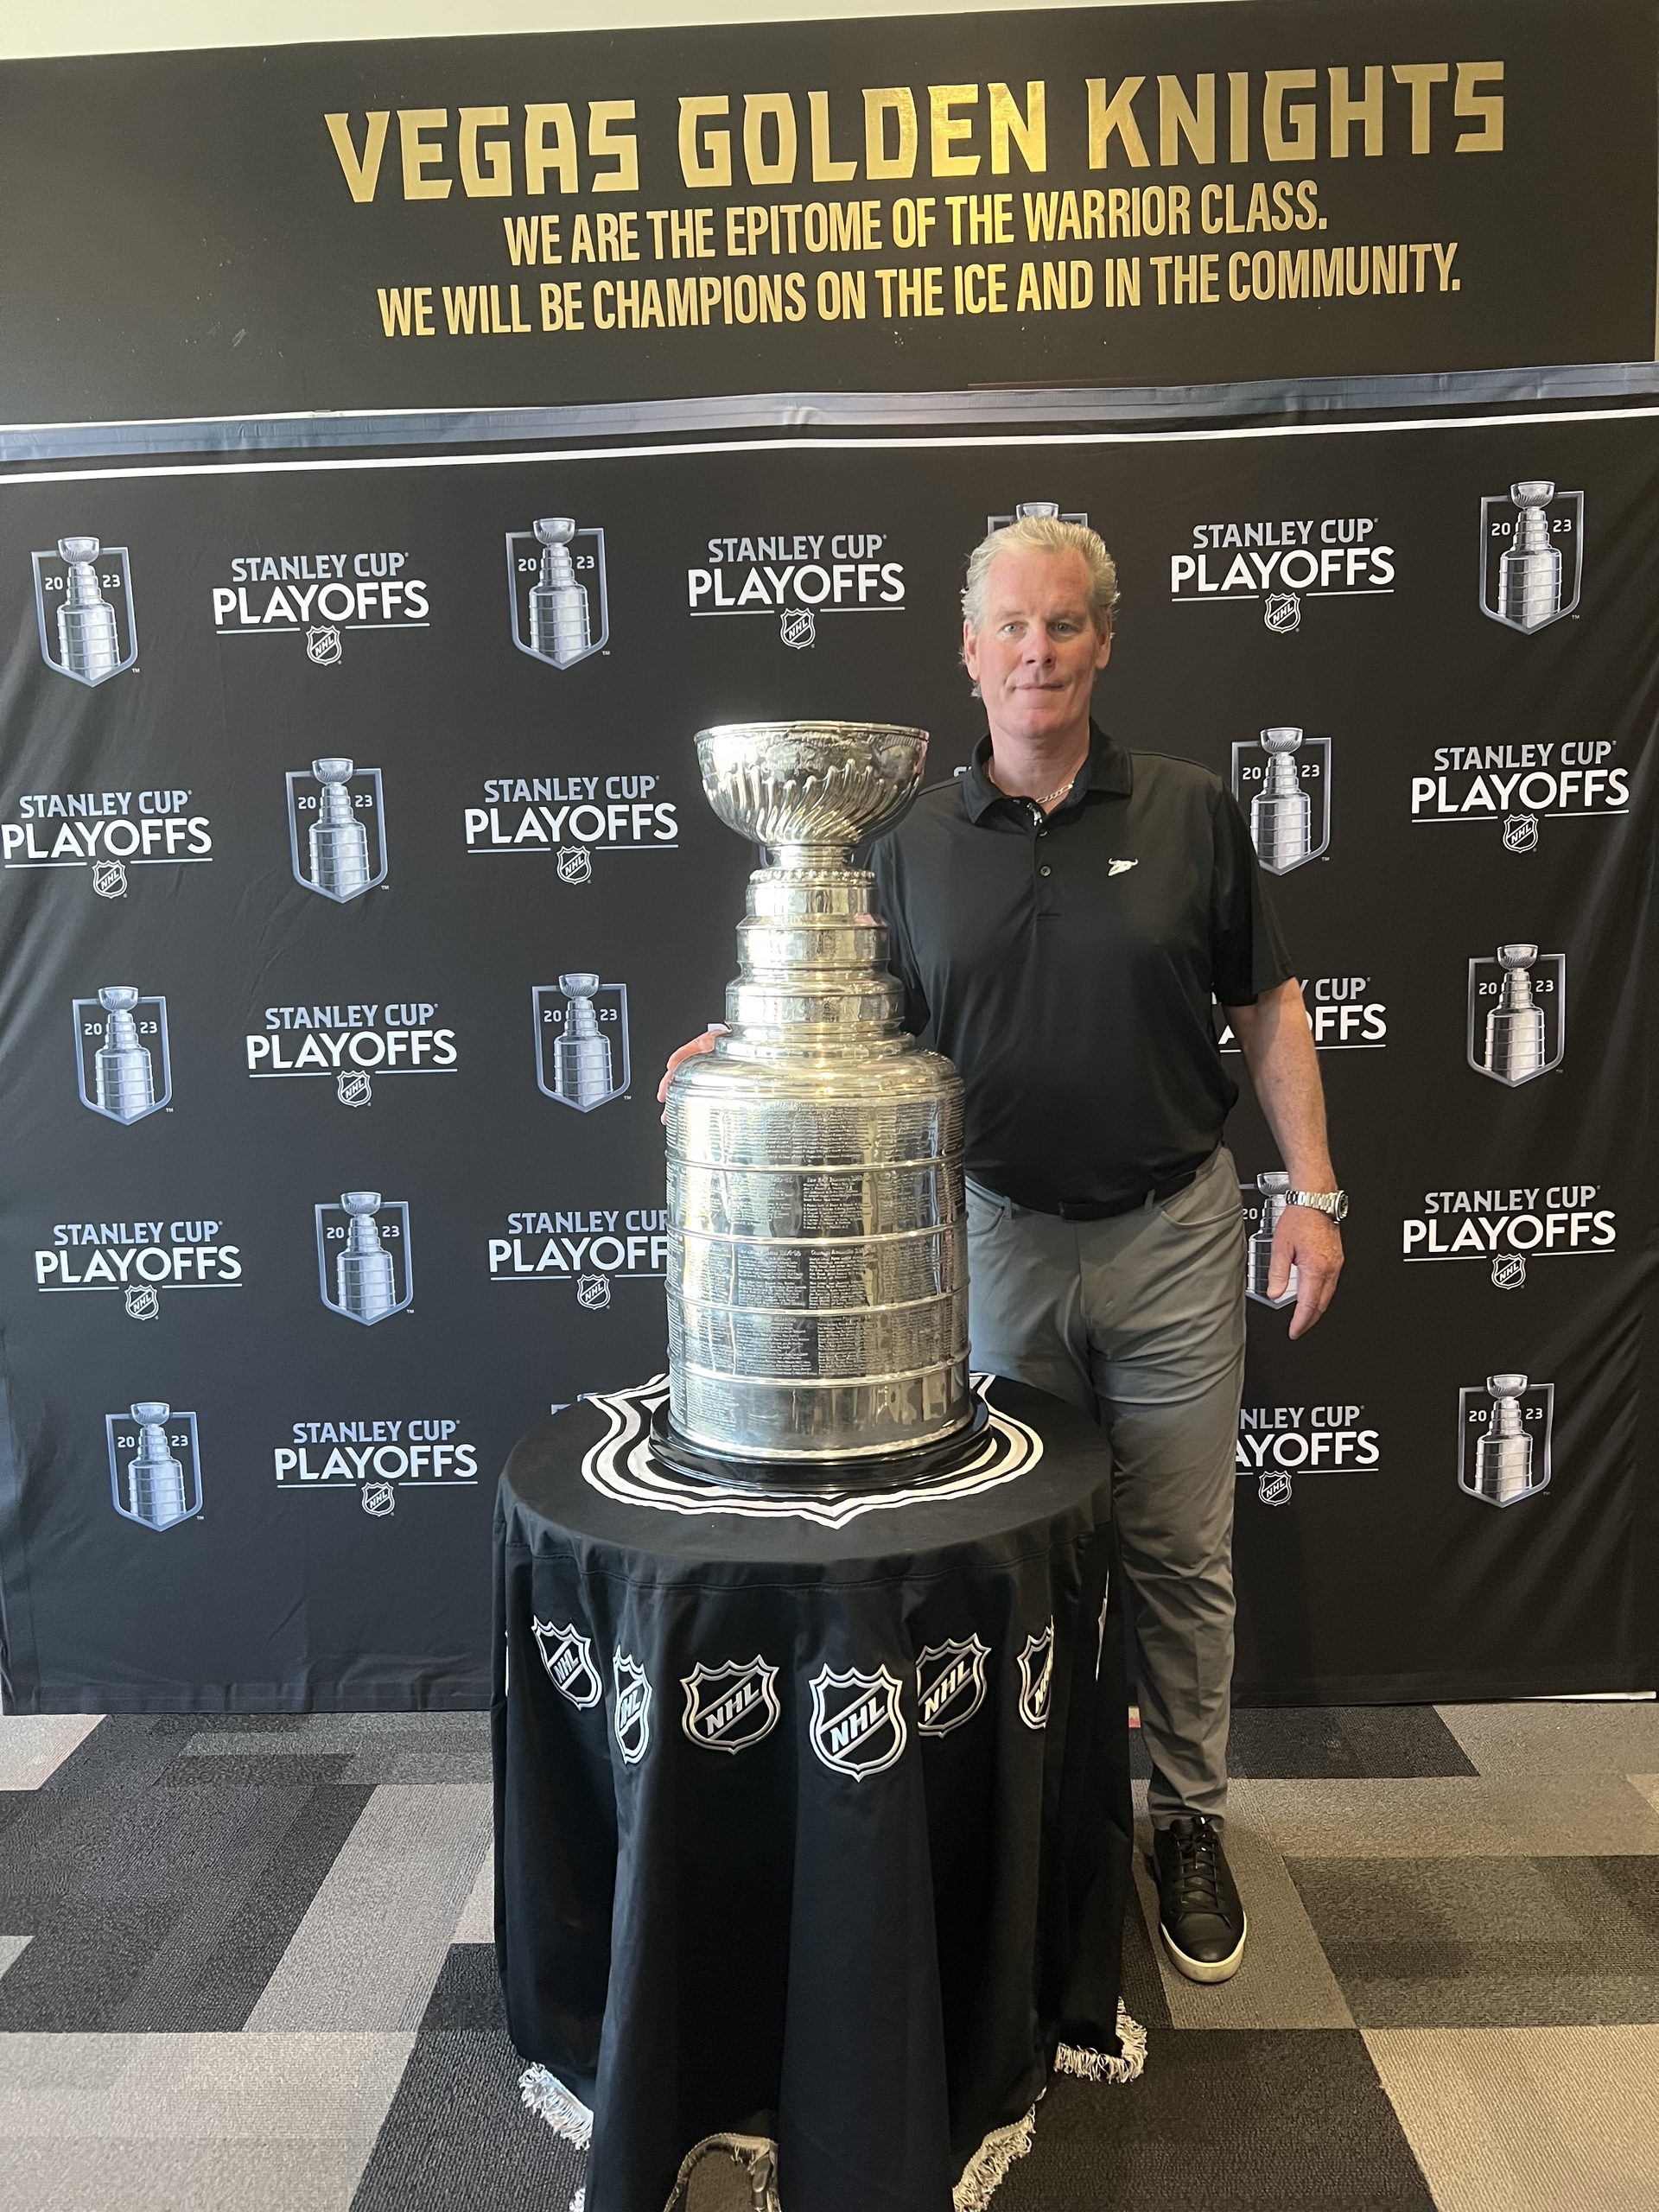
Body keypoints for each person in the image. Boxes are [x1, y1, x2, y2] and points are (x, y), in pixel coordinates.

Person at [659, 514, 1344, 1985]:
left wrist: (1316, 1189)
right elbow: (868, 1024)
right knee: (1000, 1563)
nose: (1039, 652)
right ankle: (1020, 1827)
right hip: (985, 1247)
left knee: (1177, 1553)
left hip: (1170, 1237)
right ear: (968, 653)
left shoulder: (1193, 810)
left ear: (1105, 642)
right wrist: (756, 1043)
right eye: (1012, 628)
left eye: (1066, 625)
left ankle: (1191, 1824)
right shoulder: (904, 839)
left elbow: (1270, 1007)